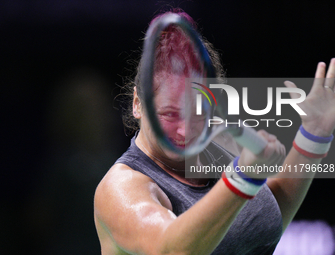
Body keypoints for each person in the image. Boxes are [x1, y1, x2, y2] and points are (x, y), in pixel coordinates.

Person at [94, 9, 335, 255]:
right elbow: (169, 250)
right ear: (137, 103)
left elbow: (260, 228)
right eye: (170, 113)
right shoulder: (120, 189)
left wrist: (313, 137)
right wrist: (242, 178)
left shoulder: (218, 153)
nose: (185, 130)